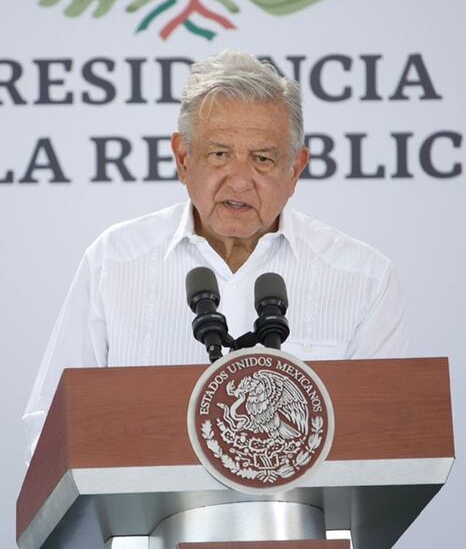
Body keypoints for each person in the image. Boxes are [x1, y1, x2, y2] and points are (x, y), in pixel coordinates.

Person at [22, 49, 406, 451]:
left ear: (295, 169)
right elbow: (51, 429)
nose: (239, 181)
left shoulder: (363, 279)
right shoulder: (115, 261)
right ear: (183, 158)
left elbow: (383, 444)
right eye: (219, 154)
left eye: (262, 159)